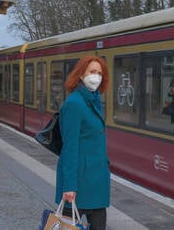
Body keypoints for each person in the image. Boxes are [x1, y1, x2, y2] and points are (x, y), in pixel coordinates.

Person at [56, 56, 111, 229]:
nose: (96, 77)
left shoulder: (94, 100)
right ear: (81, 75)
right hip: (80, 182)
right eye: (92, 72)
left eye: (100, 73)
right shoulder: (74, 104)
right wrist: (69, 186)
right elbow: (70, 148)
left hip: (96, 179)